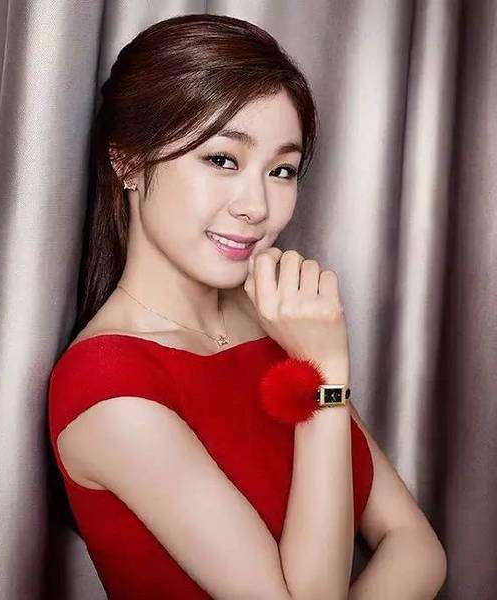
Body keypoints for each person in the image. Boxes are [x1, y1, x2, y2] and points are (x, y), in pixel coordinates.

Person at [48, 13, 447, 600]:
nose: (257, 206)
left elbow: (417, 547)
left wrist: (317, 367)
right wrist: (326, 378)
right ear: (129, 160)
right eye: (223, 160)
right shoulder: (108, 386)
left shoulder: (277, 316)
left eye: (281, 170)